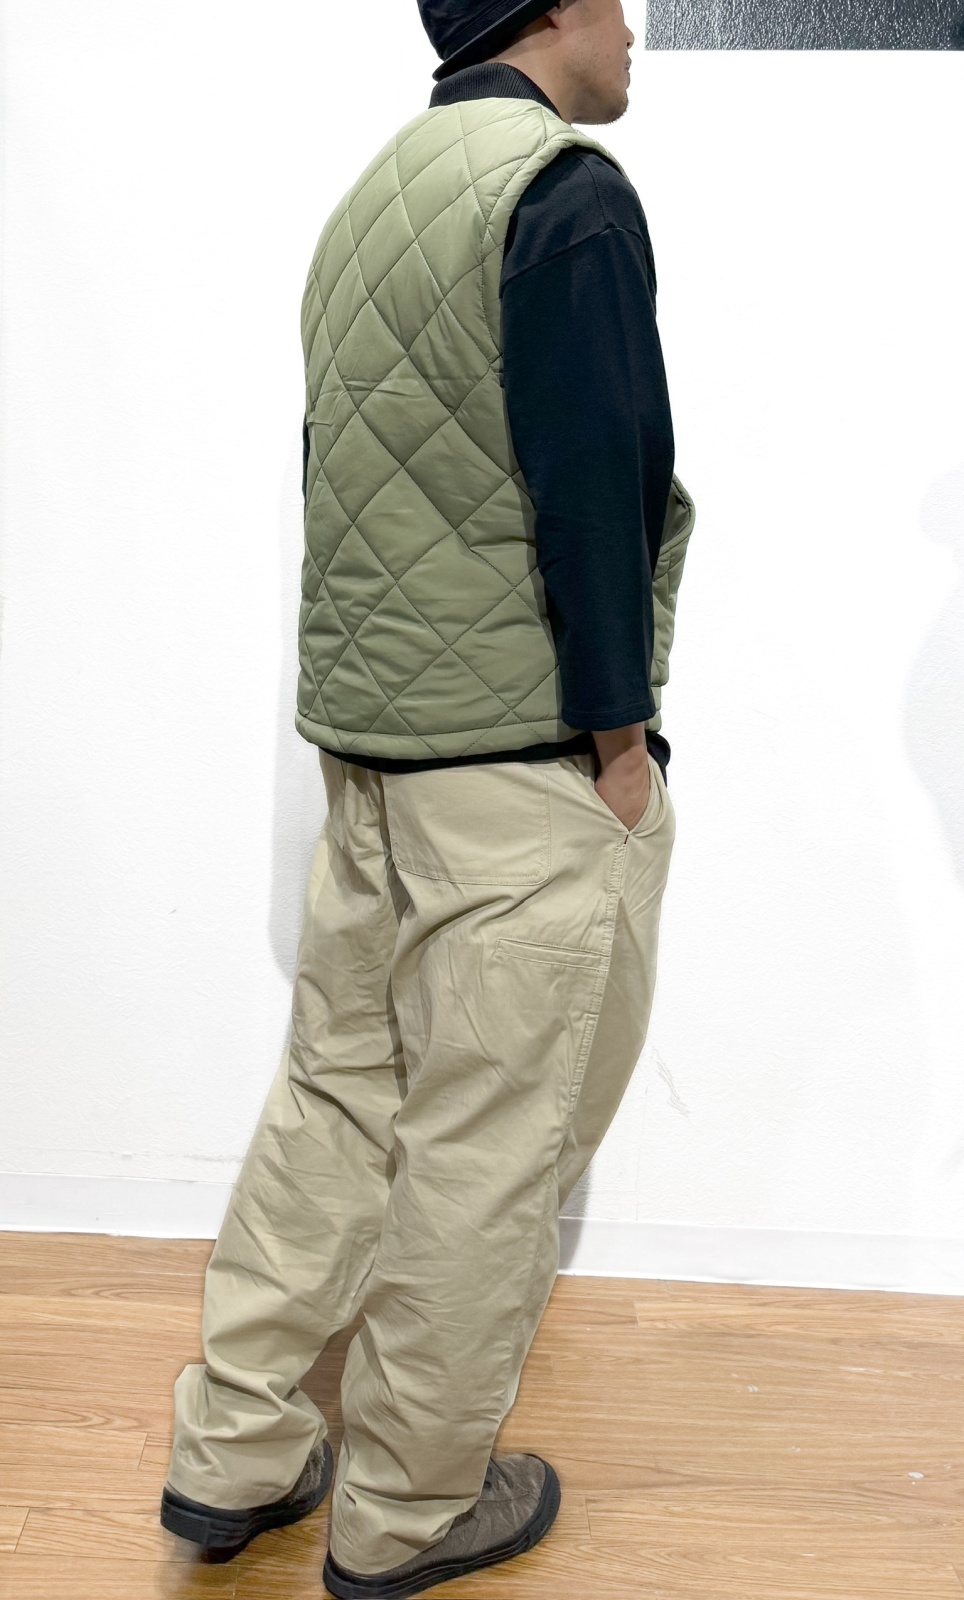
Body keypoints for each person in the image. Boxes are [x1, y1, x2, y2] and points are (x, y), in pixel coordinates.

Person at [159, 1, 696, 1595]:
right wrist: (619, 739)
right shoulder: (561, 195)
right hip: (520, 768)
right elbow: (594, 482)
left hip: (375, 760)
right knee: (487, 1150)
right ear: (550, 9)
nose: (633, 27)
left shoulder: (376, 192)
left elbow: (351, 471)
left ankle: (234, 1449)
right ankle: (404, 1511)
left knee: (336, 1102)